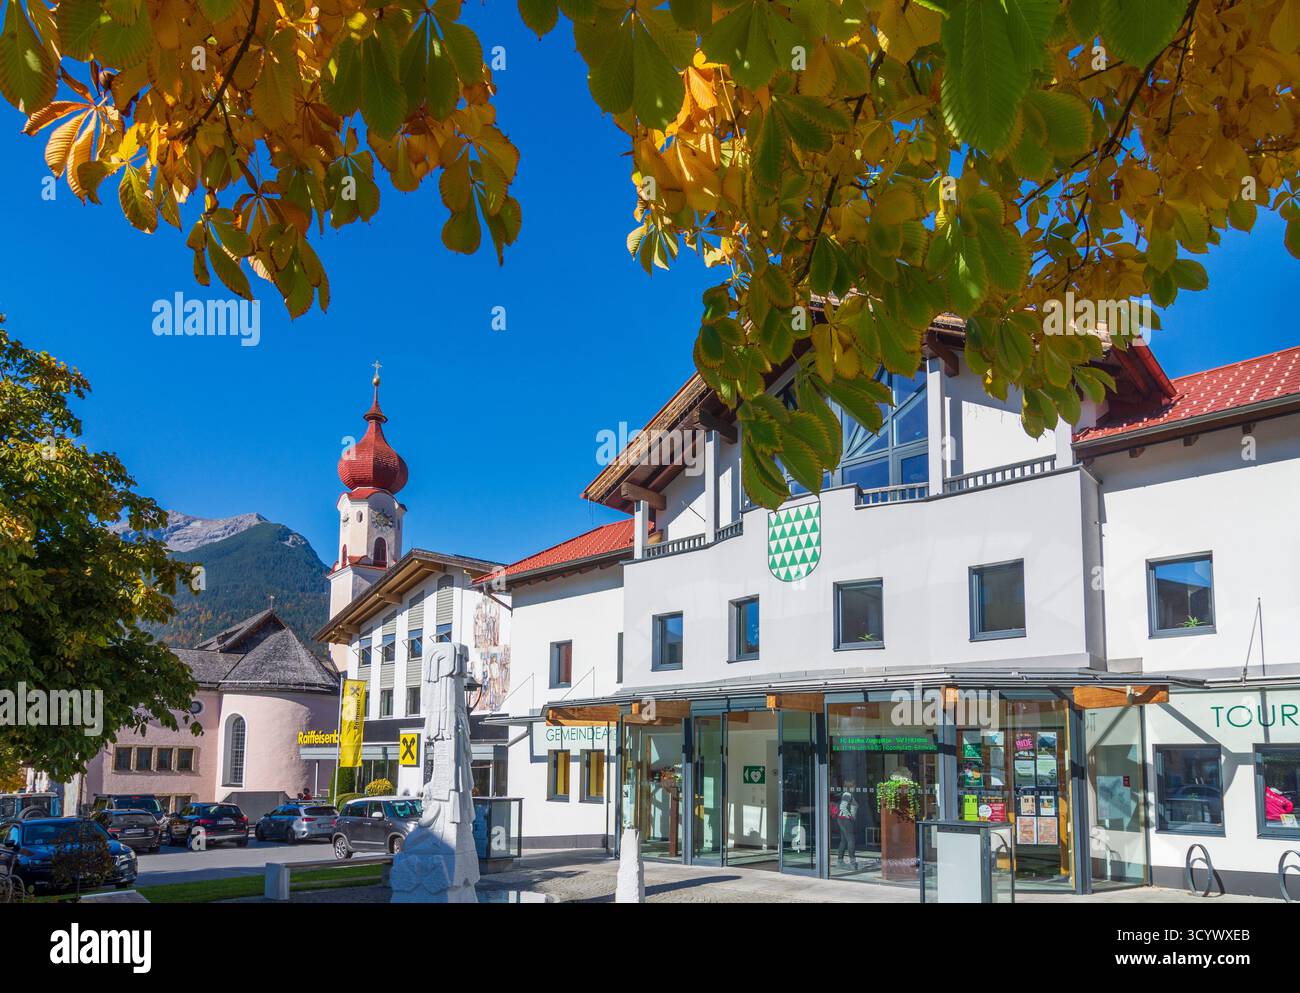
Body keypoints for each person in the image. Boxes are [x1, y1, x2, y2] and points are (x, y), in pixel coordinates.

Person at [835, 783, 859, 871]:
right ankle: (852, 863)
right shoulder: (847, 794)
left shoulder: (846, 794)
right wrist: (850, 816)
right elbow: (842, 807)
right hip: (845, 820)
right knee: (850, 840)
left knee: (844, 840)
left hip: (842, 819)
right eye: (854, 786)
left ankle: (840, 862)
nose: (855, 787)